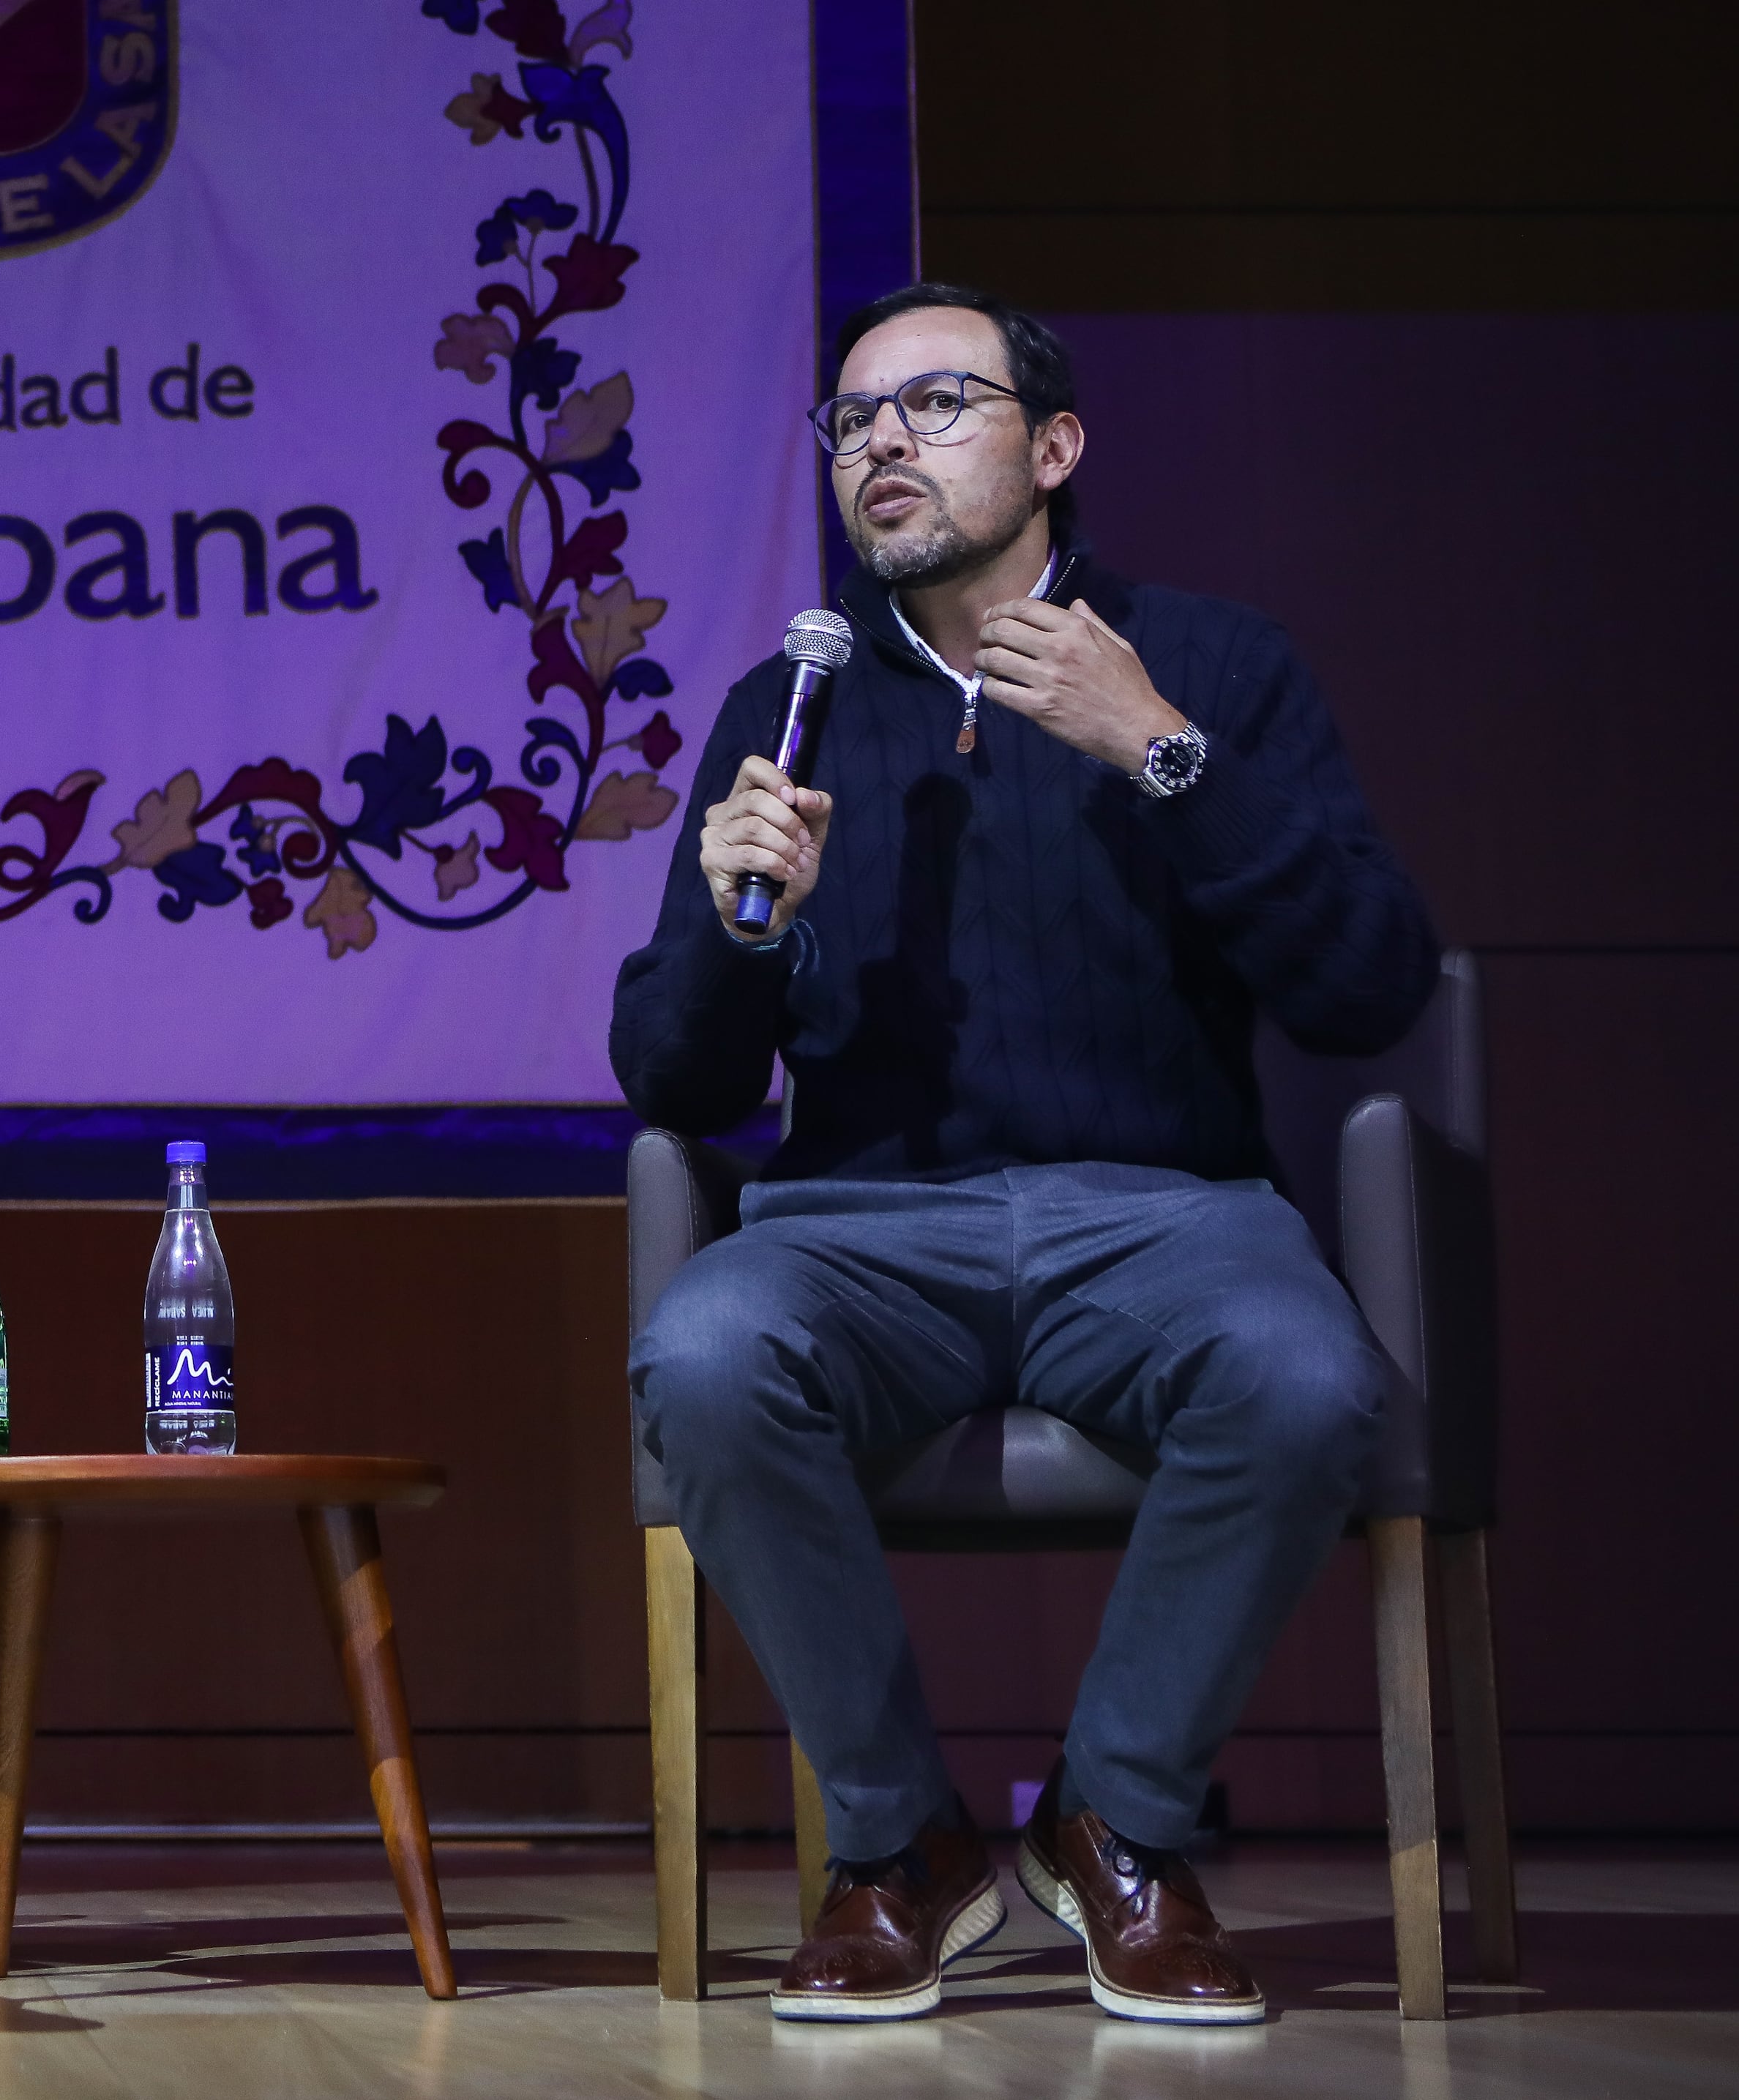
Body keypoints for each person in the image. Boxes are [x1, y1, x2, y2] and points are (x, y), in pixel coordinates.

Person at [611, 284, 1435, 2026]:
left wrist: (1162, 754)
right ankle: (901, 1843)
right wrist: (741, 922)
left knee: (1303, 1372)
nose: (882, 444)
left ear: (1053, 447)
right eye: (851, 421)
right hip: (858, 1230)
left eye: (933, 404)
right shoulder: (793, 698)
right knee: (702, 1344)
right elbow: (671, 1073)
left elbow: (1366, 985)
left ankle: (1116, 1817)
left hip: (1160, 1218)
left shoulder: (1207, 666)